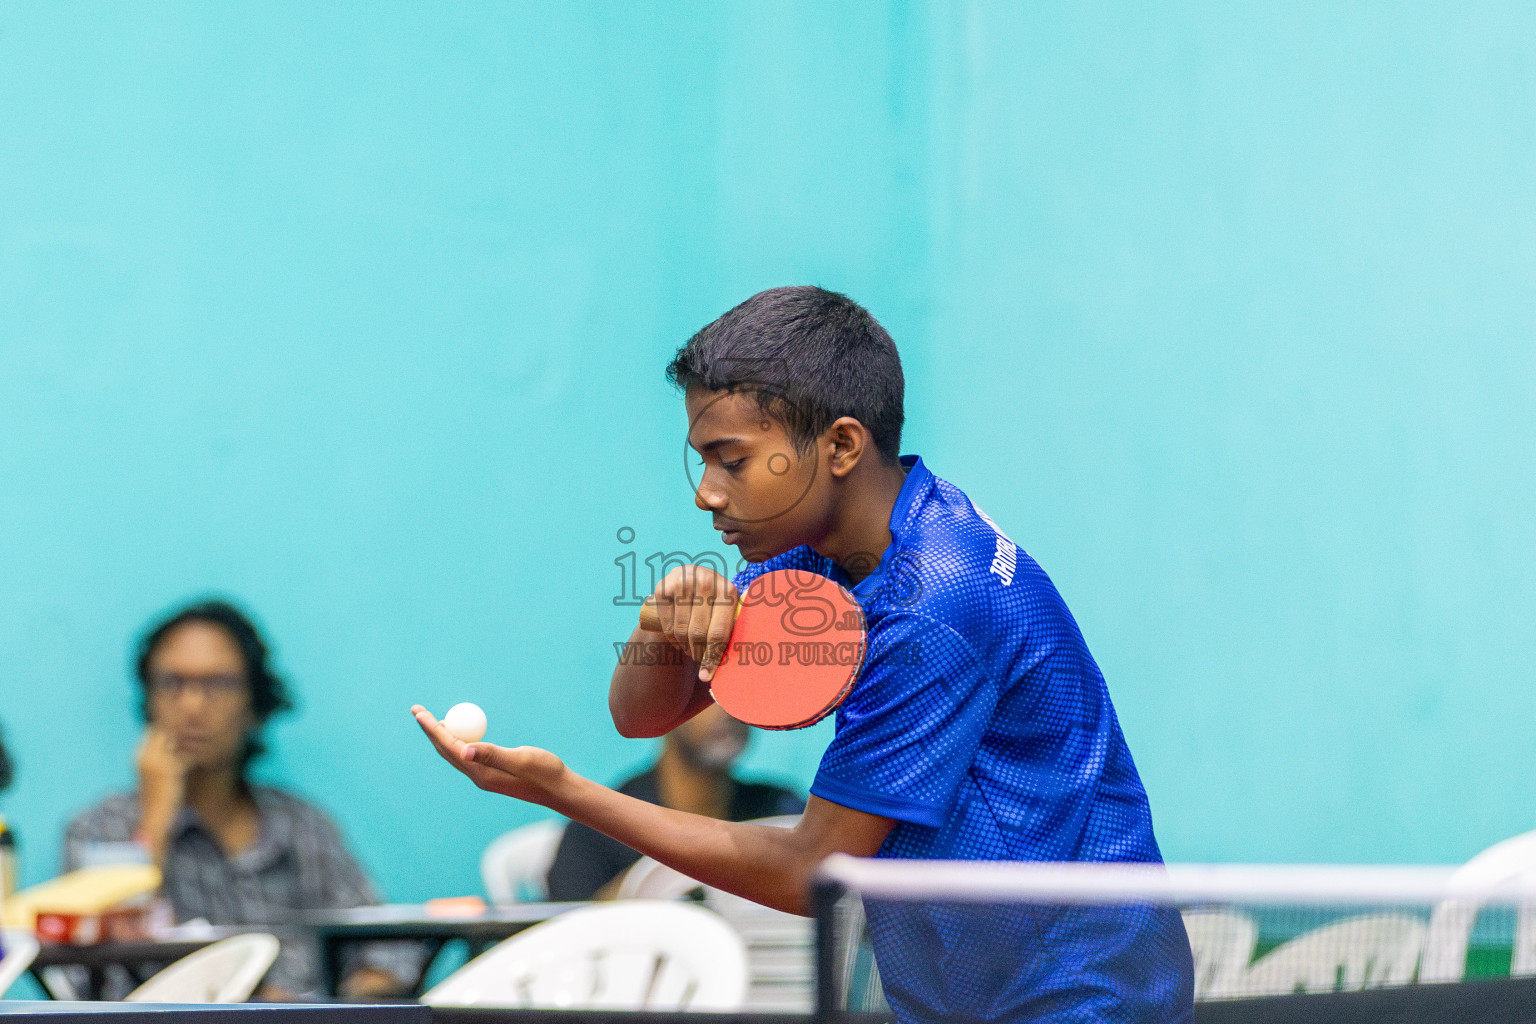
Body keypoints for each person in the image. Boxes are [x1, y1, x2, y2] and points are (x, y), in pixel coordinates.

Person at [413, 287, 1194, 1023]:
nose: (706, 492)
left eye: (733, 459)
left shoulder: (935, 606)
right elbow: (644, 716)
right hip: (969, 991)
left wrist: (564, 793)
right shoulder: (825, 547)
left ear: (841, 445)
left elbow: (808, 870)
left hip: (1073, 997)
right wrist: (659, 624)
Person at [67, 600, 422, 1000]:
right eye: (171, 683)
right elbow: (92, 981)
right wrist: (155, 819)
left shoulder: (301, 826)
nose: (192, 705)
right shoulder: (99, 828)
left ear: (255, 703)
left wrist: (346, 1005)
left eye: (218, 684)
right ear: (148, 698)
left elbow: (387, 948)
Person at [545, 703, 803, 901]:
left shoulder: (780, 809)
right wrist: (650, 888)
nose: (726, 708)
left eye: (736, 690)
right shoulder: (600, 825)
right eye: (707, 693)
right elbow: (563, 933)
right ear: (664, 707)